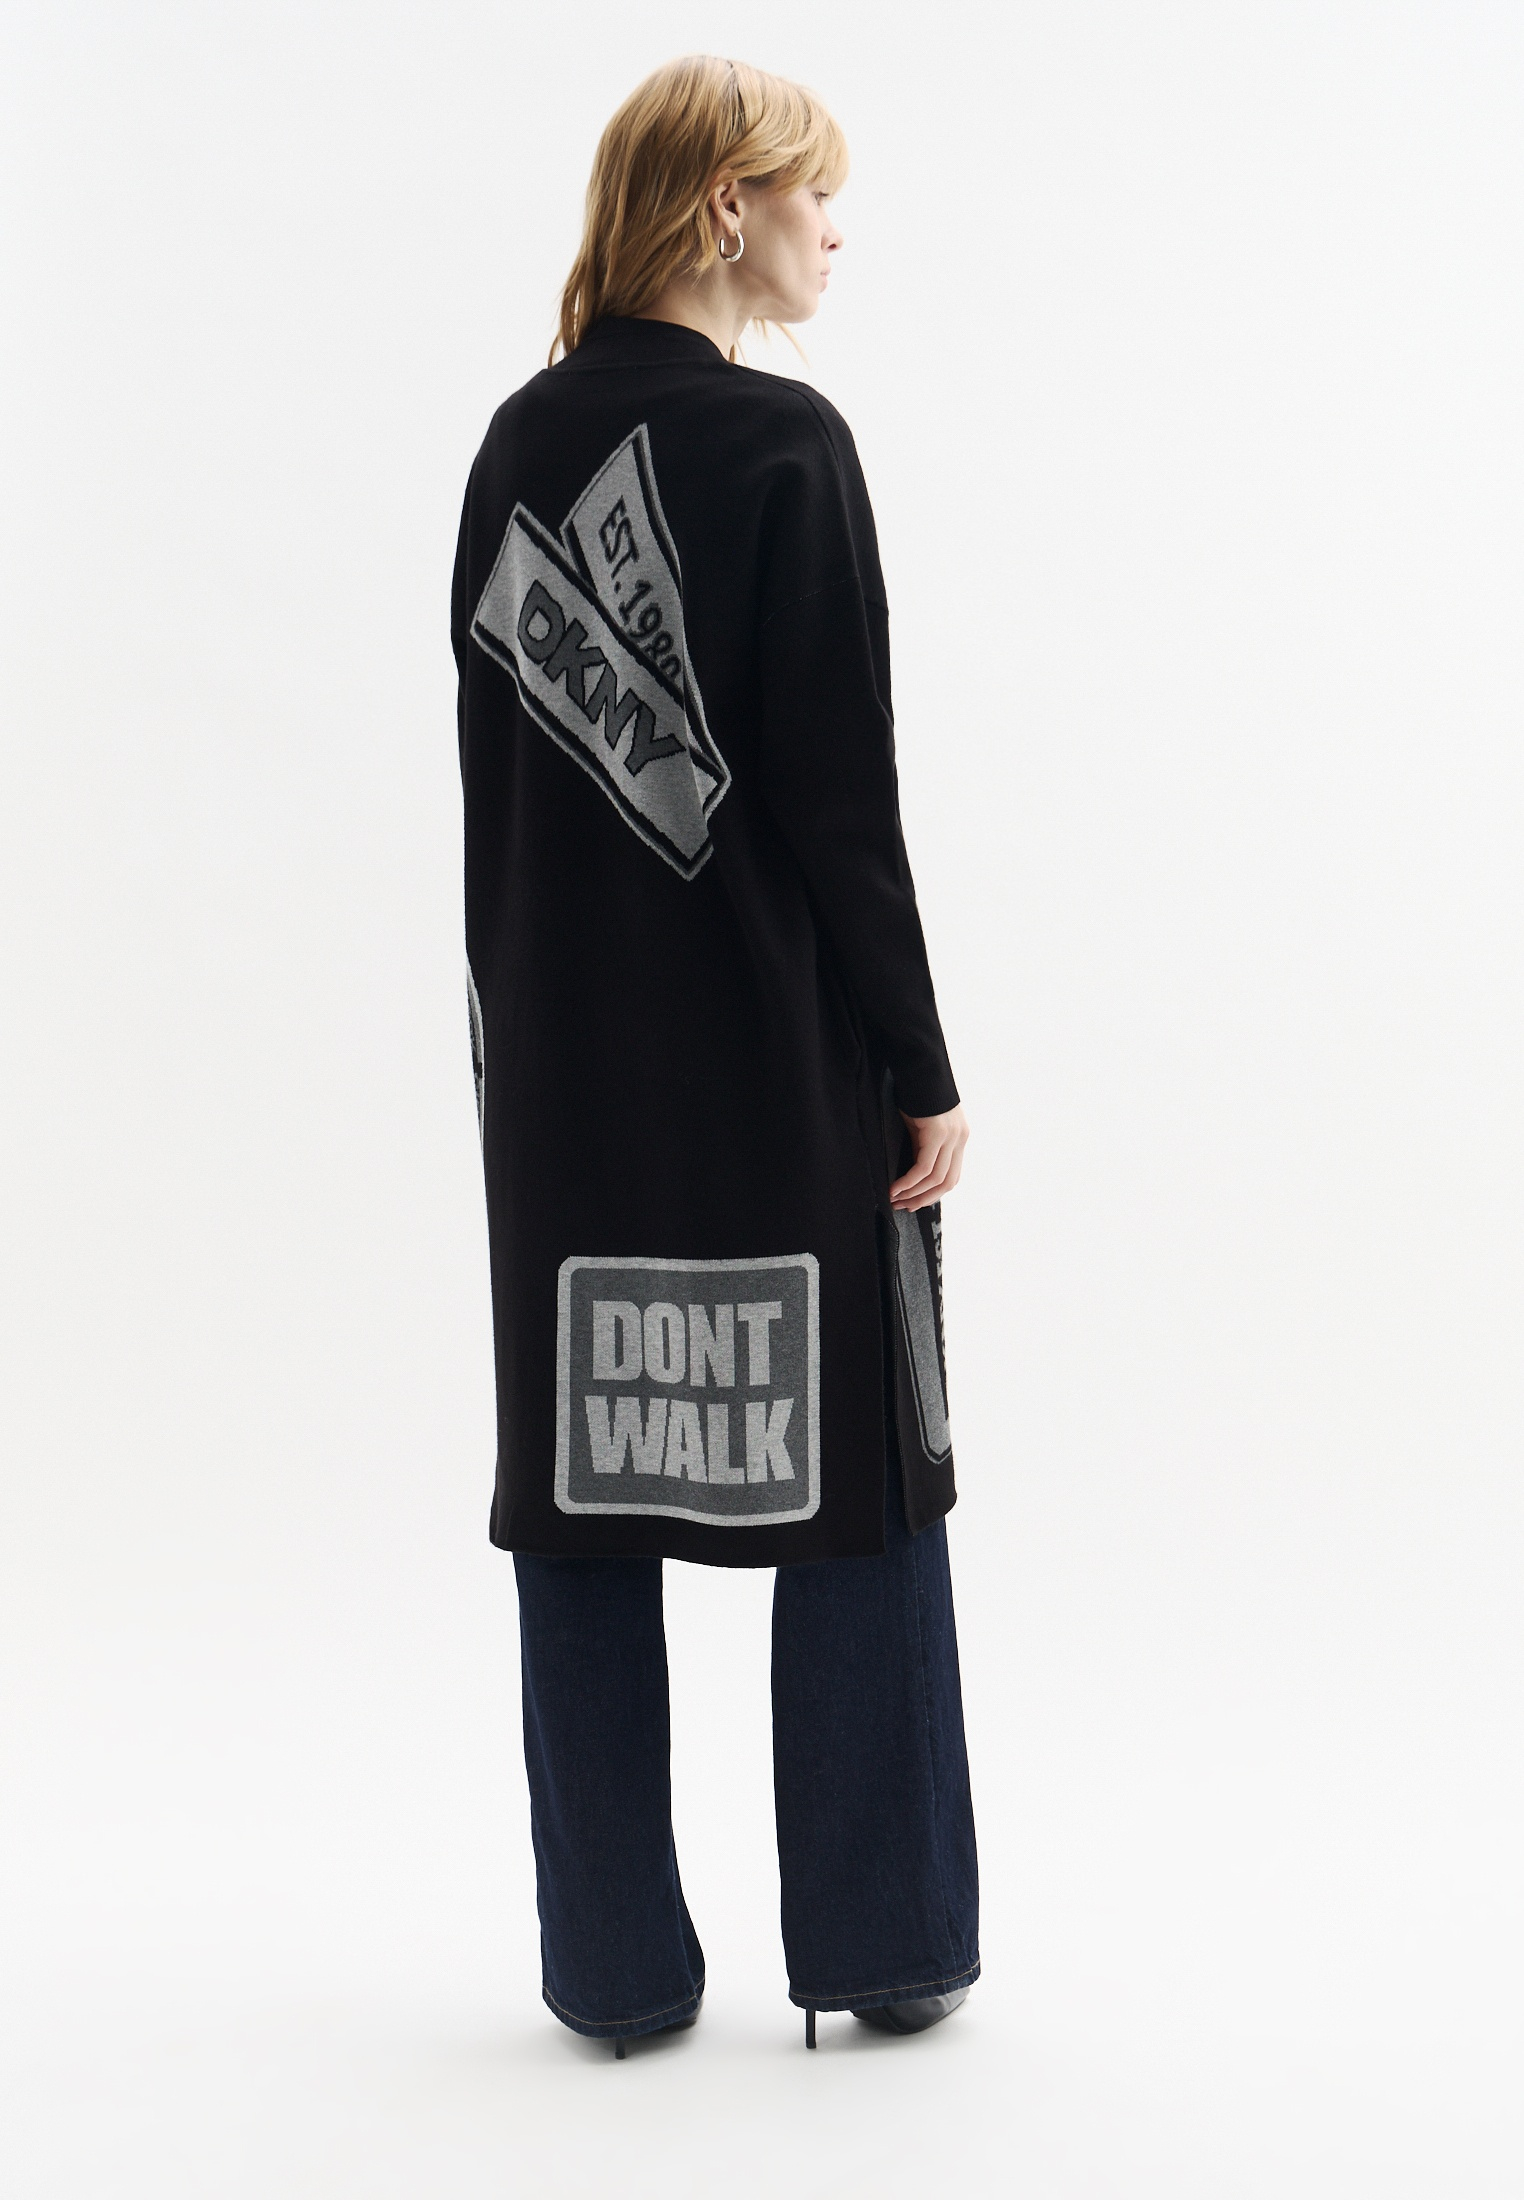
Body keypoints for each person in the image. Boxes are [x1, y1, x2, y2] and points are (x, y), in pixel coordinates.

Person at [450, 54, 978, 2056]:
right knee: (863, 1471)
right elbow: (845, 806)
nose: (841, 229)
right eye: (816, 191)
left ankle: (612, 1970)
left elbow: (497, 803)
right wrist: (920, 1062)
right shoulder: (784, 445)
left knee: (578, 1501)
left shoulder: (512, 447)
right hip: (774, 1075)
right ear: (726, 205)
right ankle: (885, 1942)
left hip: (561, 1092)